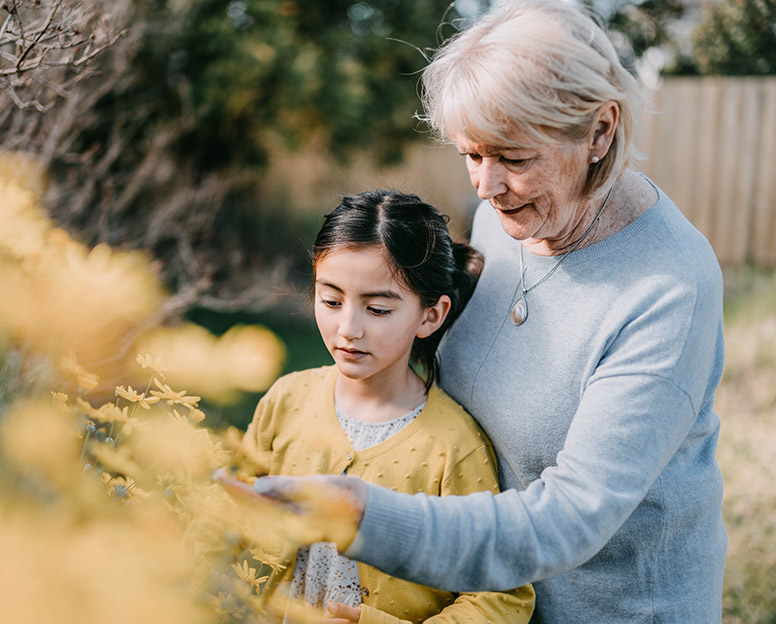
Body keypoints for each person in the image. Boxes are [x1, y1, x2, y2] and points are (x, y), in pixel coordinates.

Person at [235, 2, 728, 623]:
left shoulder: (667, 289)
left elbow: (569, 519)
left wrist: (362, 514)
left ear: (600, 132)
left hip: (608, 607)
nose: (485, 187)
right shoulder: (509, 216)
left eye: (515, 158)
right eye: (472, 154)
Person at [236, 190, 535, 623]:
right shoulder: (286, 401)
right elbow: (224, 519)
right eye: (331, 300)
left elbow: (502, 597)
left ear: (430, 316)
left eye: (377, 309)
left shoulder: (452, 449)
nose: (348, 328)